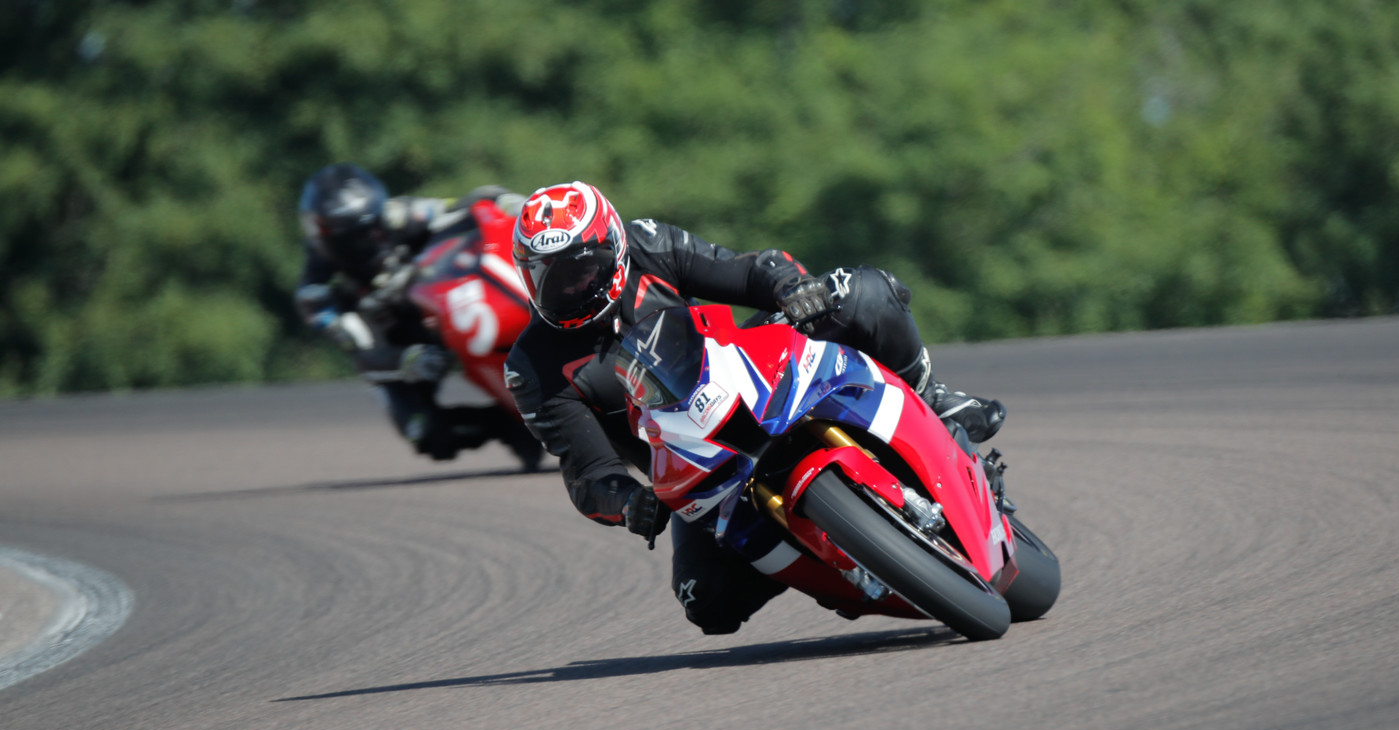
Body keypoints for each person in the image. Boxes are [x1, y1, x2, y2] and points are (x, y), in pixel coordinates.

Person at [501, 180, 1006, 634]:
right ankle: (838, 566)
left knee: (861, 293)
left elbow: (747, 270)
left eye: (582, 268)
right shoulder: (532, 368)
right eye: (549, 277)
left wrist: (793, 288)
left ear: (614, 247)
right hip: (695, 470)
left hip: (749, 373)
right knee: (706, 604)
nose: (570, 288)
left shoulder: (648, 244)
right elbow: (589, 475)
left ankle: (931, 397)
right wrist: (629, 504)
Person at [294, 162, 543, 469]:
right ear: (328, 239)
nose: (375, 237)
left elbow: (466, 207)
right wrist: (405, 360)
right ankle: (509, 426)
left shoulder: (398, 214)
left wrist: (507, 204)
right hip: (396, 347)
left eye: (375, 224)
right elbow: (363, 353)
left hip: (441, 299)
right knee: (423, 432)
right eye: (358, 236)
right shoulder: (317, 294)